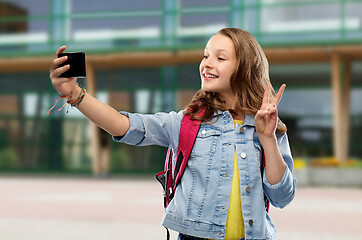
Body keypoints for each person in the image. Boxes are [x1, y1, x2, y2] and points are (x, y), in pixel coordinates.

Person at [49, 28, 296, 240]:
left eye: (220, 58)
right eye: (206, 55)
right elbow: (125, 125)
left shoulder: (268, 127)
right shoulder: (187, 122)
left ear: (245, 67)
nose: (207, 63)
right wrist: (75, 95)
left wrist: (267, 138)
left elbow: (282, 197)